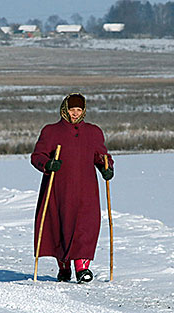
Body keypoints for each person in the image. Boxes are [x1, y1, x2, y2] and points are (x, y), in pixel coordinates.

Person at [31, 92, 114, 283]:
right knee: (60, 225)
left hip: (86, 190)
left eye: (79, 109)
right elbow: (37, 156)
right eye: (71, 109)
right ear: (64, 109)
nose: (75, 113)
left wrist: (106, 167)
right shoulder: (51, 131)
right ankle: (64, 265)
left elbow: (101, 156)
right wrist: (48, 164)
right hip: (59, 189)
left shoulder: (93, 132)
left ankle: (82, 268)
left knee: (87, 225)